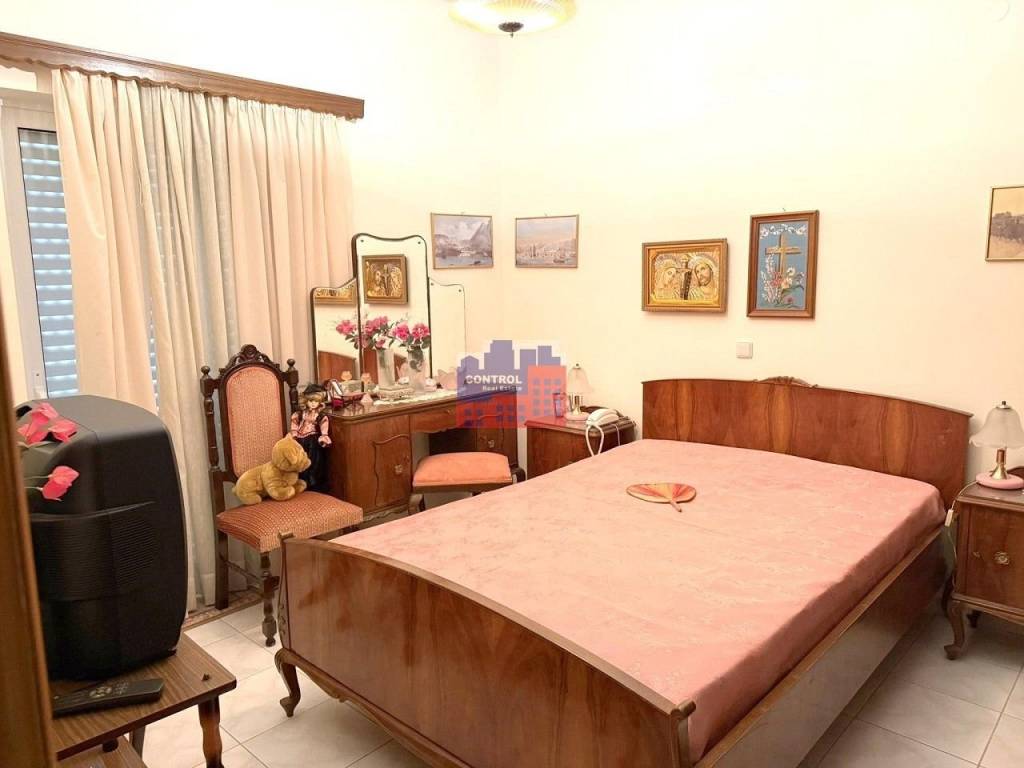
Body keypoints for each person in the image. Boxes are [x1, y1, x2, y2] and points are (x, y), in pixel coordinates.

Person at [289, 383, 332, 492]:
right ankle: (301, 479)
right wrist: (294, 433)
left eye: (316, 401)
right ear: (306, 401)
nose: (313, 404)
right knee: (300, 458)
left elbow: (323, 424)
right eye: (311, 401)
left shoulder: (319, 416)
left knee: (313, 459)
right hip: (300, 439)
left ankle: (312, 481)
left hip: (312, 440)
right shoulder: (301, 414)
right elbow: (294, 422)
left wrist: (324, 436)